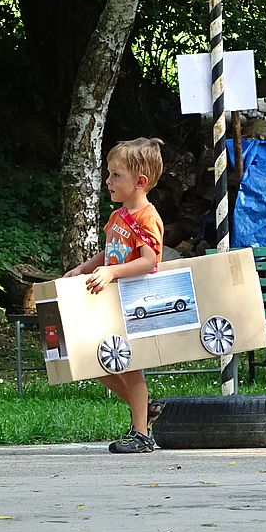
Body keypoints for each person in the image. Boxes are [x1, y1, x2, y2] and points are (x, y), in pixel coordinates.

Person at [64, 137, 166, 454]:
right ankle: (144, 410)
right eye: (109, 174)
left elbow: (149, 261)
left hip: (133, 304)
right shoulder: (119, 216)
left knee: (129, 365)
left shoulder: (146, 218)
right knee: (95, 362)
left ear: (140, 182)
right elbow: (109, 251)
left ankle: (142, 434)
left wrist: (112, 273)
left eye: (115, 175)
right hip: (110, 305)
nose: (108, 181)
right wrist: (83, 268)